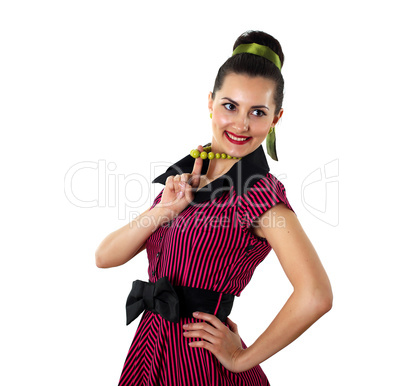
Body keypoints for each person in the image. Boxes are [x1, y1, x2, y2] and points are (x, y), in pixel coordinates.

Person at [95, 30, 333, 386]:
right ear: (210, 102)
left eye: (257, 111)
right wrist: (164, 211)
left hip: (199, 366)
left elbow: (316, 295)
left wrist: (240, 359)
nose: (240, 124)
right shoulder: (187, 176)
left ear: (276, 119)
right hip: (148, 351)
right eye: (230, 106)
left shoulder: (261, 198)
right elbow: (104, 256)